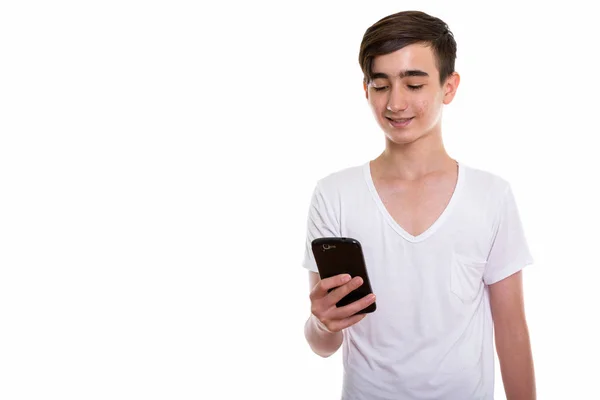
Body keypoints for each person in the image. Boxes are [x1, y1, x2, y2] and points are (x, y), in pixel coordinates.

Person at [302, 10, 536, 400]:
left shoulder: (491, 196)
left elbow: (511, 331)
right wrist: (323, 324)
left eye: (413, 84)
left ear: (449, 86)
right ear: (365, 89)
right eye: (380, 85)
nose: (395, 102)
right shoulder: (334, 195)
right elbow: (322, 344)